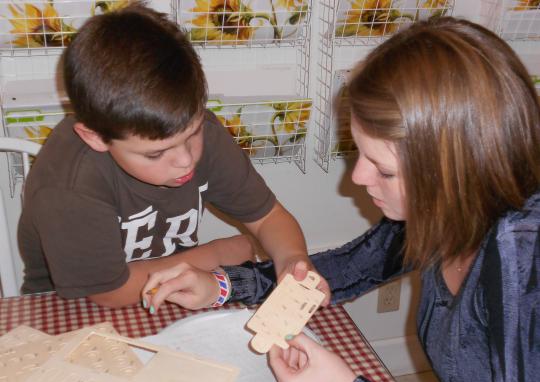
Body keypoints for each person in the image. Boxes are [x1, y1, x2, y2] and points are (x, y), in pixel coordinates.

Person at [143, 16, 540, 382]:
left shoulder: (523, 268)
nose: (358, 178)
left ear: (456, 171)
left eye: (383, 169)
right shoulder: (446, 212)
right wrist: (221, 285)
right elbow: (344, 270)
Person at [17, 3, 330, 309]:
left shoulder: (191, 130)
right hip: (70, 312)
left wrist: (293, 258)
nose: (185, 159)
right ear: (96, 137)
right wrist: (218, 254)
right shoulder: (69, 185)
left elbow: (268, 217)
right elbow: (110, 291)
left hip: (171, 293)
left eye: (193, 133)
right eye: (156, 154)